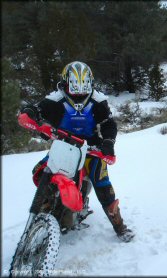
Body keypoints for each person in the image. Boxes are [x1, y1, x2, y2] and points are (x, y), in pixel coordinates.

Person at [21, 61, 134, 242]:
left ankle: (120, 226)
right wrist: (30, 112)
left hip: (91, 149)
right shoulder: (56, 98)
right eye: (75, 86)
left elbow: (108, 124)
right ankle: (47, 208)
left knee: (102, 183)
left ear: (90, 83)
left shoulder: (98, 100)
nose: (80, 91)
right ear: (66, 82)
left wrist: (108, 144)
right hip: (63, 146)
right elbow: (38, 109)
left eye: (84, 86)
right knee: (40, 171)